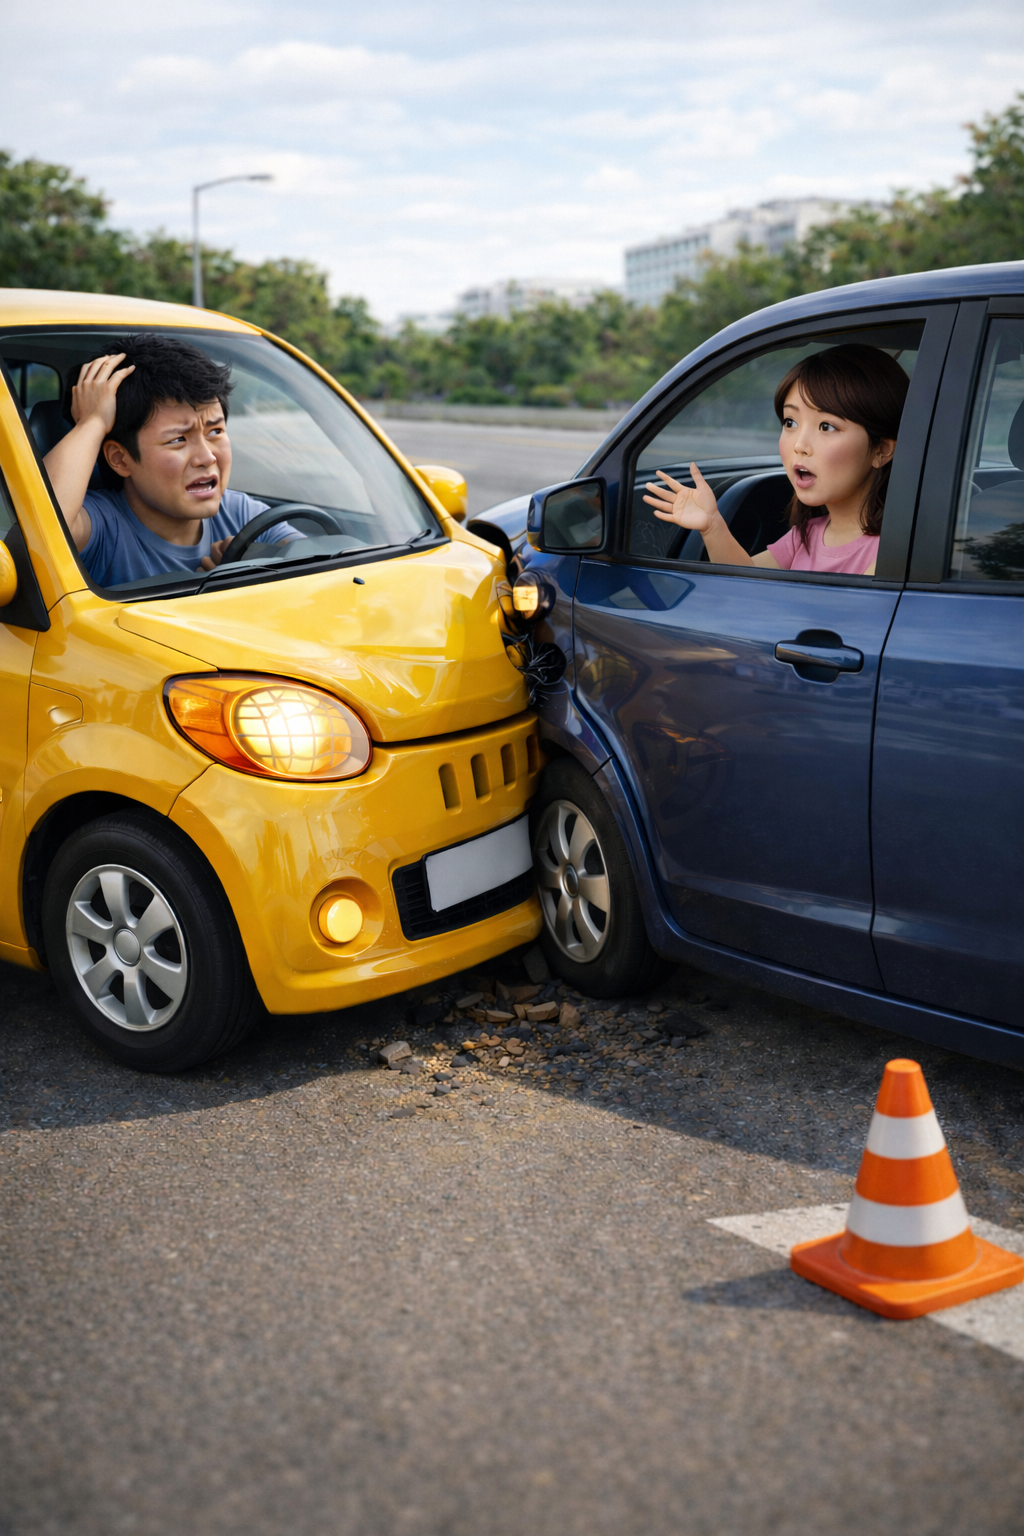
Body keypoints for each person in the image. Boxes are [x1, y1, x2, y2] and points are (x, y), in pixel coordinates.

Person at [43, 333, 299, 587]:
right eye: (178, 439)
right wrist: (93, 422)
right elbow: (40, 529)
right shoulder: (103, 527)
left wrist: (257, 565)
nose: (207, 457)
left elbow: (314, 561)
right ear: (120, 459)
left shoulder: (241, 515)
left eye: (215, 432)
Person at [643, 343, 910, 577]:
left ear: (882, 451)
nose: (800, 445)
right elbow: (746, 584)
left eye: (827, 426)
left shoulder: (892, 551)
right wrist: (712, 525)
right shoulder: (804, 536)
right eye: (790, 422)